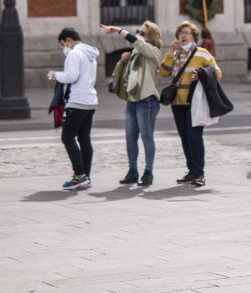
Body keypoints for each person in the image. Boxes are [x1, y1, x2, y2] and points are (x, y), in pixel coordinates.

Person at [159, 21, 221, 187]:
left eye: (186, 32)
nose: (183, 35)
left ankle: (199, 173)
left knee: (194, 137)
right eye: (181, 33)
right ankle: (191, 171)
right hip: (177, 102)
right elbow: (163, 72)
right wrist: (171, 52)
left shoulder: (202, 53)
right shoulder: (176, 54)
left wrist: (200, 73)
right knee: (185, 137)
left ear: (193, 36)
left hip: (195, 102)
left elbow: (217, 73)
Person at [102, 22, 163, 186]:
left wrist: (117, 30)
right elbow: (128, 76)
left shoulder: (154, 51)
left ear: (150, 36)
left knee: (146, 137)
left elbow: (139, 44)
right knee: (130, 138)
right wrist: (124, 62)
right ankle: (133, 171)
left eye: (142, 33)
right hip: (132, 101)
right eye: (138, 32)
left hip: (147, 101)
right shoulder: (136, 52)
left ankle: (148, 172)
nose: (138, 35)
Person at [49, 28, 100, 191]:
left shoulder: (74, 53)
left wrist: (55, 75)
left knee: (67, 137)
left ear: (68, 40)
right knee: (84, 138)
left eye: (63, 44)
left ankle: (79, 175)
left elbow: (71, 76)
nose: (64, 48)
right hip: (90, 100)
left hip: (78, 101)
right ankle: (86, 176)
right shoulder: (89, 53)